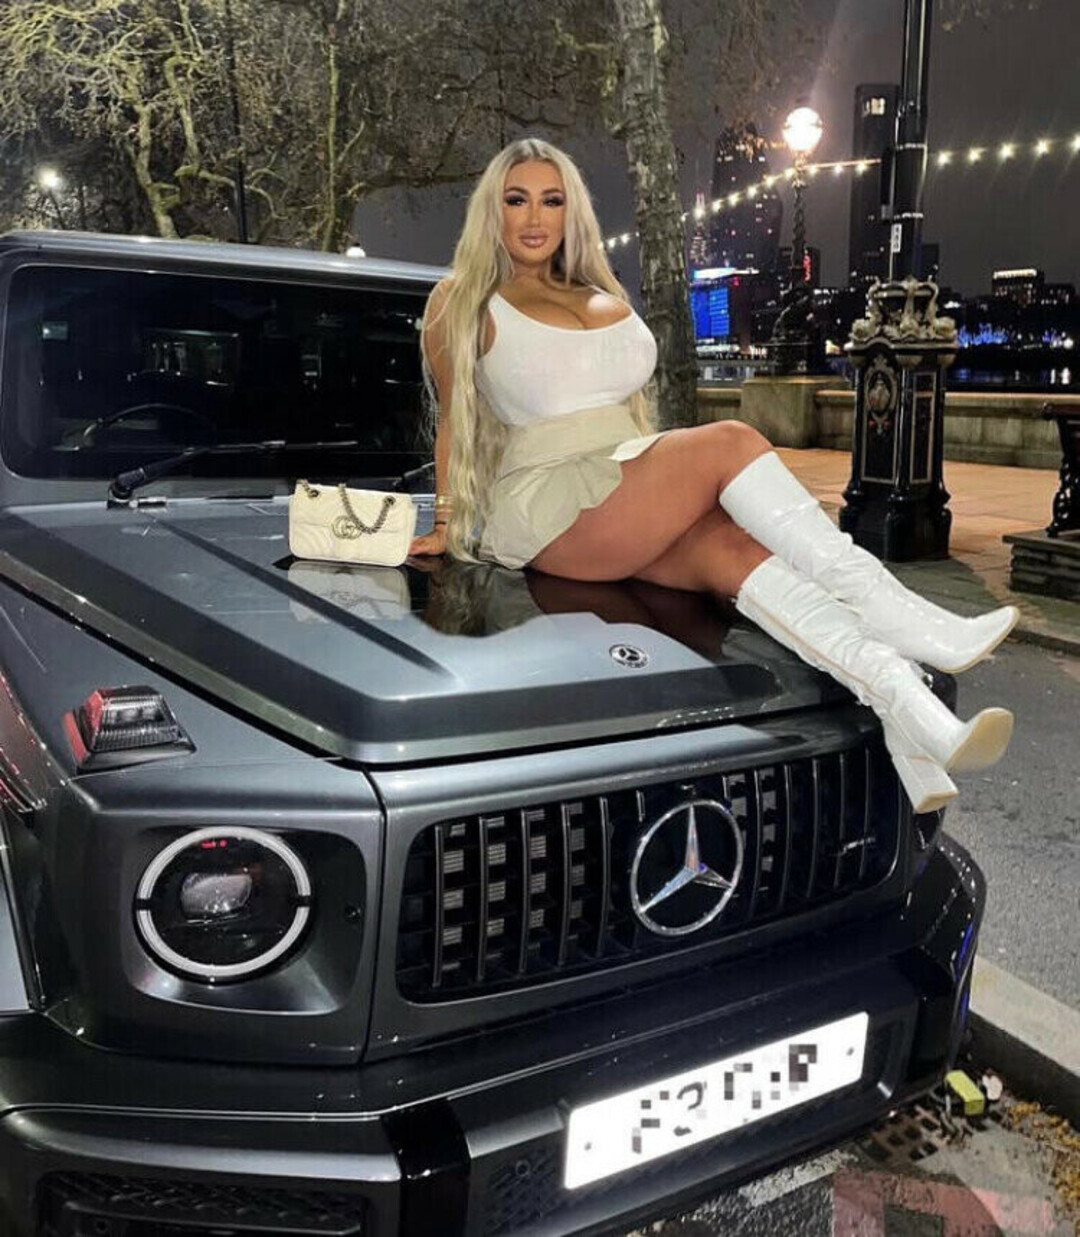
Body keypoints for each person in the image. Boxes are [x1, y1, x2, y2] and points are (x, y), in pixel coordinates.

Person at [408, 136, 1017, 814]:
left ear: (570, 211)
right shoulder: (463, 299)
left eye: (551, 200)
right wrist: (444, 520)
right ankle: (905, 616)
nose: (533, 217)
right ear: (491, 210)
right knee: (731, 440)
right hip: (548, 499)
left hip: (621, 476)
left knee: (733, 550)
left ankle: (916, 718)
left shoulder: (598, 290)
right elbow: (453, 420)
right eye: (515, 199)